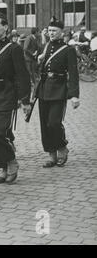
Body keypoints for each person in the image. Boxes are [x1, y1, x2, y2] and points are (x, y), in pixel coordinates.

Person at [0, 12, 31, 185]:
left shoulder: (14, 48)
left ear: (6, 28)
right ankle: (3, 168)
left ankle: (12, 162)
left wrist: (25, 100)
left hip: (7, 95)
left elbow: (23, 76)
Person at [36, 17, 80, 168]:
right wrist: (40, 60)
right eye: (49, 31)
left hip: (59, 90)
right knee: (44, 124)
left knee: (54, 122)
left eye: (55, 31)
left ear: (62, 32)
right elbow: (41, 70)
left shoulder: (68, 50)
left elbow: (73, 74)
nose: (51, 33)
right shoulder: (47, 46)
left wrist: (74, 95)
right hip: (43, 90)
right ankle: (51, 155)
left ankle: (62, 147)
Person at [24, 28, 40, 100]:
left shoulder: (35, 38)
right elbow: (25, 48)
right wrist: (32, 54)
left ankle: (33, 95)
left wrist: (36, 52)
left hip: (33, 60)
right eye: (38, 32)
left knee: (34, 76)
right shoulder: (29, 38)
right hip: (28, 60)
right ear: (35, 32)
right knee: (29, 75)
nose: (39, 34)